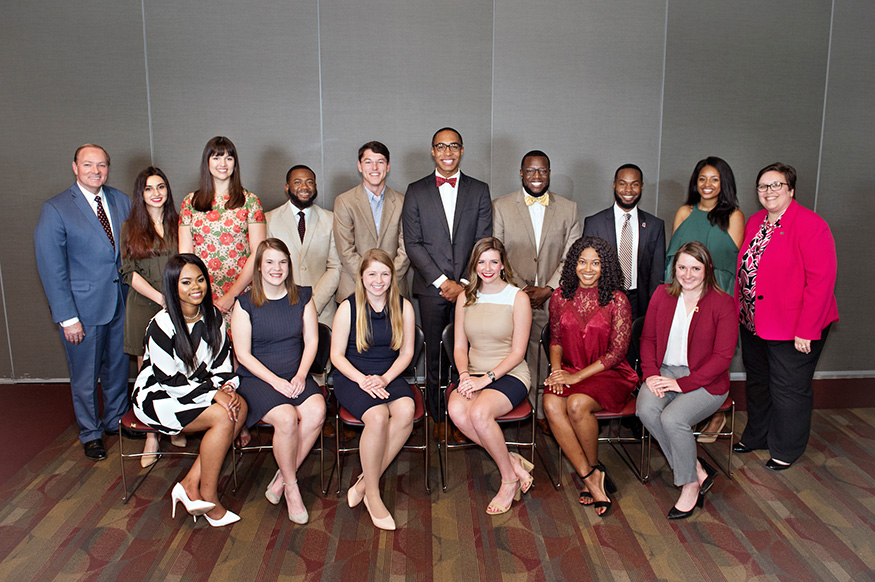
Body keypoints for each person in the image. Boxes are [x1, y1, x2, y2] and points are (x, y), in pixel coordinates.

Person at [734, 163, 838, 470]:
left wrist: (807, 330)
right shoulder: (755, 221)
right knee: (758, 383)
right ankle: (758, 435)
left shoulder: (811, 225)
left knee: (789, 388)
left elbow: (821, 282)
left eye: (776, 185)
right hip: (754, 322)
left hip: (794, 325)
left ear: (791, 189)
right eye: (763, 186)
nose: (769, 192)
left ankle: (786, 449)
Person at [132, 254, 247, 527]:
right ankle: (208, 495)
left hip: (200, 388)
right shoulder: (160, 325)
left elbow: (221, 364)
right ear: (173, 287)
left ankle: (189, 483)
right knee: (223, 416)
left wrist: (227, 389)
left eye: (200, 279)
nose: (196, 287)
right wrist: (214, 395)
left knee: (238, 406)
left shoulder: (214, 317)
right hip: (159, 394)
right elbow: (169, 381)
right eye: (186, 282)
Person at [35, 144, 132, 461]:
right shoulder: (57, 208)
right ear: (75, 167)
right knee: (86, 376)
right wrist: (67, 317)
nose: (96, 171)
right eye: (88, 164)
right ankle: (90, 433)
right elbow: (52, 269)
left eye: (102, 165)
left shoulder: (120, 200)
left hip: (120, 301)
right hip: (82, 309)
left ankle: (115, 419)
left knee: (117, 368)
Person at [402, 127, 492, 443]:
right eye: (441, 146)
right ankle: (437, 416)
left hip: (469, 289)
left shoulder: (479, 190)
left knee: (466, 353)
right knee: (436, 354)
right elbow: (412, 243)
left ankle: (462, 414)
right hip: (431, 288)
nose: (448, 152)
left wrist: (465, 283)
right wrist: (443, 282)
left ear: (462, 150)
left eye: (453, 146)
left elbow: (484, 240)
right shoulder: (416, 190)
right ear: (432, 151)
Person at [636, 242, 737, 519]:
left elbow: (722, 357)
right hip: (665, 371)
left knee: (673, 419)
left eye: (695, 268)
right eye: (682, 267)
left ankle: (689, 484)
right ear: (674, 268)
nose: (687, 274)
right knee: (645, 409)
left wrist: (683, 384)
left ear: (707, 270)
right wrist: (651, 375)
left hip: (706, 380)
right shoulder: (662, 295)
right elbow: (648, 340)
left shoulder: (723, 303)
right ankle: (695, 468)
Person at [231, 239, 326, 524]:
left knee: (317, 411)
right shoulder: (245, 304)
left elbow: (312, 341)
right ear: (258, 267)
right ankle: (292, 487)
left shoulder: (303, 297)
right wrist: (276, 382)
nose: (277, 268)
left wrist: (299, 375)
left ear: (289, 265)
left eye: (282, 262)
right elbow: (243, 355)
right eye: (269, 262)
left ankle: (281, 479)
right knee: (286, 418)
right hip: (258, 379)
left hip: (295, 374)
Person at [543, 236, 638, 516]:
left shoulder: (617, 300)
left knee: (576, 404)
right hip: (570, 367)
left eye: (595, 263)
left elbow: (617, 353)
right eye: (582, 262)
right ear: (573, 265)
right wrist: (557, 371)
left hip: (608, 373)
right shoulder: (560, 297)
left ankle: (593, 470)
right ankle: (591, 477)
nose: (587, 268)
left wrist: (575, 378)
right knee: (549, 404)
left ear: (604, 267)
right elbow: (556, 339)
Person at [493, 150, 582, 436]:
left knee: (546, 352)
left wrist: (549, 288)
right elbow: (497, 252)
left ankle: (544, 411)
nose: (536, 176)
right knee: (512, 351)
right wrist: (520, 290)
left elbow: (573, 254)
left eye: (542, 170)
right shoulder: (501, 206)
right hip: (510, 294)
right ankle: (513, 405)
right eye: (530, 170)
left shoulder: (569, 208)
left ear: (549, 173)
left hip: (553, 295)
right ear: (521, 173)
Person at [331, 249, 416, 531]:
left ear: (392, 277)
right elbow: (337, 356)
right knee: (378, 417)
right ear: (362, 277)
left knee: (406, 411)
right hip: (353, 375)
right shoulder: (348, 307)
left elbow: (406, 354)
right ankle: (374, 495)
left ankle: (365, 482)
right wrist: (363, 380)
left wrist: (384, 378)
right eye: (372, 274)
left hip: (388, 374)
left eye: (384, 274)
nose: (378, 280)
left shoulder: (403, 306)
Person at [448, 238, 534, 515]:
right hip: (471, 372)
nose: (487, 267)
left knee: (479, 414)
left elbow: (518, 353)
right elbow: (460, 346)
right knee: (457, 411)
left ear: (502, 265)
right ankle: (511, 460)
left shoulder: (517, 298)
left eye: (493, 261)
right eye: (481, 262)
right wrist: (464, 375)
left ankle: (508, 479)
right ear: (474, 265)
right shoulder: (465, 297)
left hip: (509, 373)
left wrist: (485, 379)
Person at [664, 157, 744, 441]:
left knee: (713, 354)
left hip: (716, 296)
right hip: (682, 295)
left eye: (714, 179)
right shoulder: (684, 212)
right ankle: (683, 411)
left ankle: (716, 413)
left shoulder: (733, 215)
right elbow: (673, 260)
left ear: (724, 183)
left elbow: (729, 267)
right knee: (682, 351)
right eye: (702, 179)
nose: (707, 185)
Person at [120, 166, 186, 467]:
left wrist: (175, 300)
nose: (156, 193)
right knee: (148, 372)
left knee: (179, 367)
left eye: (161, 187)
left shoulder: (180, 223)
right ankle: (152, 435)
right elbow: (128, 273)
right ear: (141, 194)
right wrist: (161, 298)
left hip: (180, 306)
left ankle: (175, 424)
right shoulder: (129, 227)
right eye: (149, 188)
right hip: (145, 305)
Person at [179, 136, 266, 323]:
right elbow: (185, 255)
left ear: (235, 163)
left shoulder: (250, 201)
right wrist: (195, 290)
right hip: (200, 291)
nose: (223, 163)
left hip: (242, 290)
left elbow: (258, 251)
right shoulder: (190, 202)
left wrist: (232, 295)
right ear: (207, 162)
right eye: (216, 157)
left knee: (240, 347)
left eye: (229, 158)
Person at [583, 164, 665, 320]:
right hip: (603, 301)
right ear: (614, 185)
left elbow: (657, 271)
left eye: (634, 184)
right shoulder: (594, 223)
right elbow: (587, 268)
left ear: (641, 187)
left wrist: (655, 307)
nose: (628, 190)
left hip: (640, 303)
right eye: (623, 183)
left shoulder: (655, 225)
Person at [333, 141, 409, 301]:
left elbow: (406, 247)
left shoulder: (403, 201)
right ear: (360, 166)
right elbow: (346, 250)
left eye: (380, 162)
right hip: (354, 289)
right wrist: (370, 280)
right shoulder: (345, 201)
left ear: (388, 166)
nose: (374, 167)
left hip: (394, 289)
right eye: (368, 162)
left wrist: (387, 280)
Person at [266, 165, 341, 326]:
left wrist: (314, 304)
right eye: (298, 182)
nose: (304, 187)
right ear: (287, 187)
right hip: (281, 310)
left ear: (315, 187)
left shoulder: (330, 219)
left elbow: (335, 267)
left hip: (322, 313)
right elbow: (266, 268)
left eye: (309, 182)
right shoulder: (269, 220)